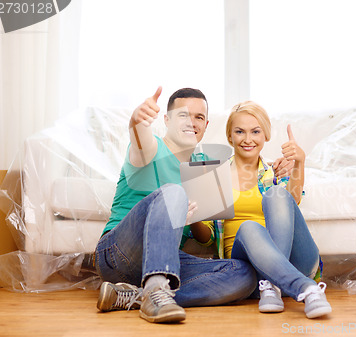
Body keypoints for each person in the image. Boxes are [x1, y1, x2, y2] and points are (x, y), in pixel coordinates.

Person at [94, 87, 258, 324]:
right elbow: (140, 141)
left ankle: (139, 296)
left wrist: (193, 217)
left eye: (199, 117)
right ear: (167, 120)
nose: (191, 122)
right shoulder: (152, 149)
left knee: (243, 274)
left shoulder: (203, 166)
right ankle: (155, 290)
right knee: (174, 192)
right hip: (119, 254)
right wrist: (137, 122)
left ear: (206, 124)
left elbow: (206, 239)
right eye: (183, 115)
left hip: (167, 259)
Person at [192, 101, 332, 319]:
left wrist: (299, 162)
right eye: (240, 132)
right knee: (249, 228)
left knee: (276, 195)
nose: (248, 139)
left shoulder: (276, 171)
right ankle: (304, 288)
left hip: (296, 264)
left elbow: (293, 201)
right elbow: (206, 238)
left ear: (265, 135)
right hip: (248, 271)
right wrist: (192, 216)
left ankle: (274, 284)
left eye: (255, 132)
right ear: (230, 136)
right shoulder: (214, 178)